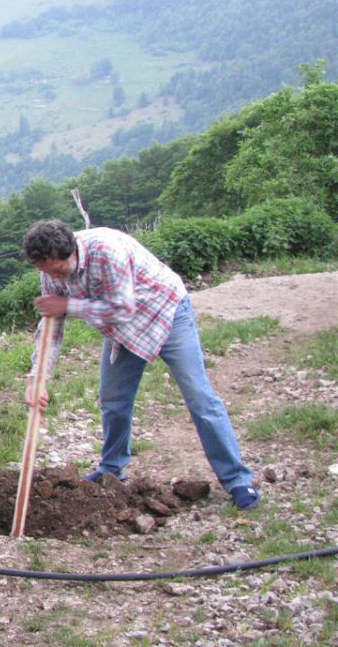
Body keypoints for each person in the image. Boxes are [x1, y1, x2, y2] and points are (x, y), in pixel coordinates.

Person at [22, 219, 261, 510]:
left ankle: (237, 480)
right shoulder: (50, 273)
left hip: (166, 313)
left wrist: (70, 306)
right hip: (123, 334)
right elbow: (52, 329)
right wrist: (38, 379)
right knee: (113, 399)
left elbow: (123, 309)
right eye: (46, 271)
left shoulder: (107, 250)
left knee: (199, 397)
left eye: (57, 269)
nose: (53, 277)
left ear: (70, 251)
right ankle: (112, 470)